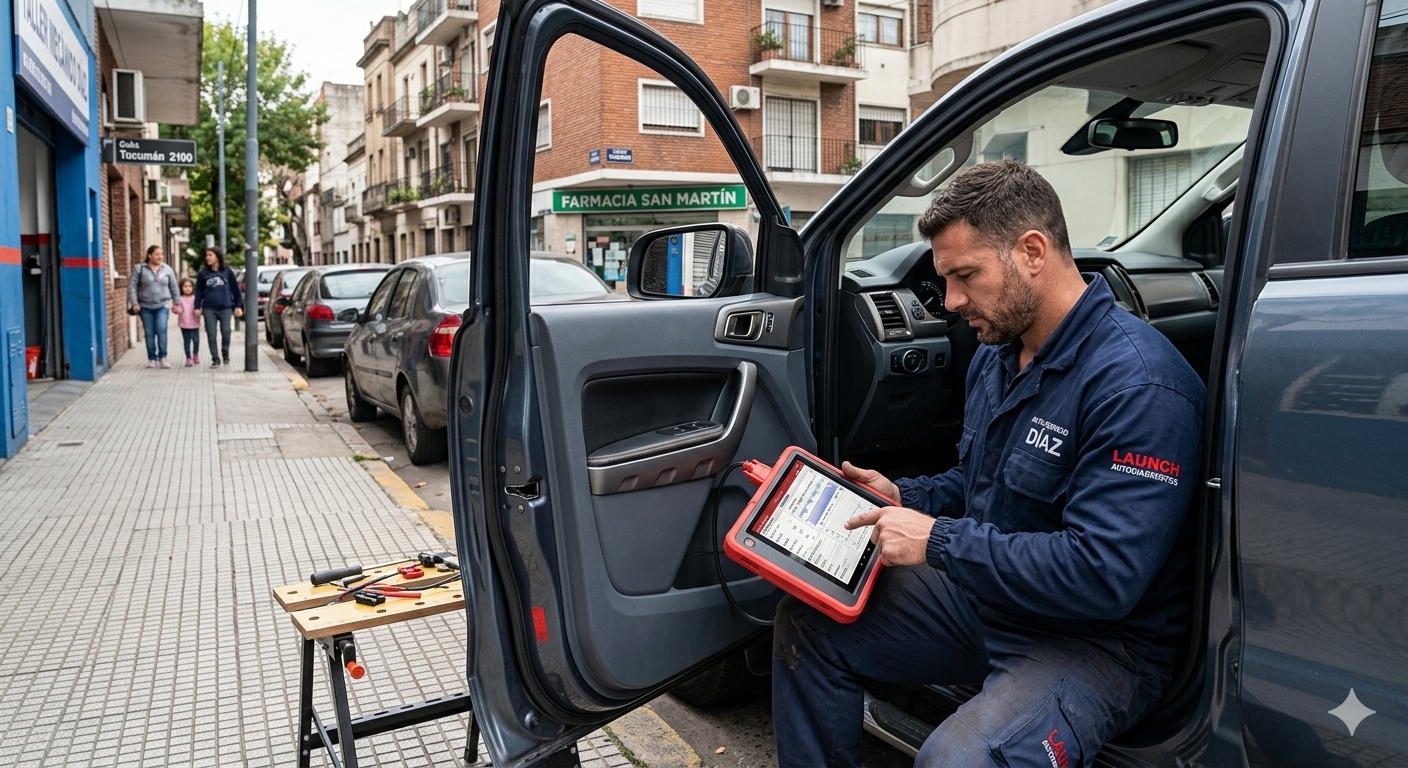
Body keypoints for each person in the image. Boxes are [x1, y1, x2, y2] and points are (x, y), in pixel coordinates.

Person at [771, 160, 1207, 768]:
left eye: (965, 276)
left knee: (958, 760)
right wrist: (904, 498)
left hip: (1098, 642)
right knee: (809, 620)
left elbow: (1102, 576)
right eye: (944, 279)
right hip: (993, 600)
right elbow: (983, 485)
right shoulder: (999, 354)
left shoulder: (1139, 386)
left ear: (1032, 251)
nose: (950, 302)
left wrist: (938, 542)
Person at [127, 245, 180, 368]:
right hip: (145, 306)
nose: (160, 256)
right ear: (149, 255)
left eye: (161, 254)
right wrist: (134, 303)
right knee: (150, 332)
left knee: (161, 330)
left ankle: (163, 357)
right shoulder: (139, 269)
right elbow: (132, 287)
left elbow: (174, 287)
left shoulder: (167, 269)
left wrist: (177, 302)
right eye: (156, 254)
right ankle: (151, 358)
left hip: (162, 305)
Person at [194, 246, 243, 368]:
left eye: (210, 255)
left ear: (217, 256)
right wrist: (197, 306)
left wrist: (238, 305)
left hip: (226, 307)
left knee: (226, 332)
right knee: (211, 334)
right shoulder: (203, 274)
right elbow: (199, 291)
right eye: (206, 255)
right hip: (209, 308)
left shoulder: (227, 271)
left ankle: (225, 352)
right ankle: (215, 358)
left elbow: (235, 289)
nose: (207, 258)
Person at [174, 277, 201, 366]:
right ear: (181, 288)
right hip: (184, 323)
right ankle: (188, 358)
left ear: (193, 288)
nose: (188, 288)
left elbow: (200, 307)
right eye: (185, 286)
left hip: (195, 323)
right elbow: (175, 307)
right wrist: (177, 309)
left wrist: (200, 311)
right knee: (187, 341)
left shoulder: (196, 298)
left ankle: (196, 354)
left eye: (190, 286)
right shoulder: (179, 298)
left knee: (196, 340)